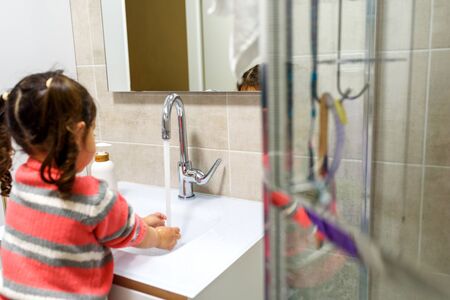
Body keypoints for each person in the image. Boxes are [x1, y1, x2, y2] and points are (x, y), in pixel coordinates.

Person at [0, 71, 181, 299]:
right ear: (78, 134)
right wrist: (158, 237)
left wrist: (139, 222)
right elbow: (130, 233)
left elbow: (74, 229)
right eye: (93, 131)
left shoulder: (22, 185)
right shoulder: (92, 195)